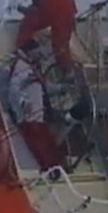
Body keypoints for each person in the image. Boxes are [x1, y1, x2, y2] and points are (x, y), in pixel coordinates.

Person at [1, 0, 77, 80]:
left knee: (60, 45)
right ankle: (30, 49)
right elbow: (34, 11)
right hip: (55, 10)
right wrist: (19, 7)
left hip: (61, 10)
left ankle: (69, 73)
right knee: (30, 23)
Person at [8, 39, 66, 172]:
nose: (39, 55)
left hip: (38, 116)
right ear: (29, 52)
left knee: (49, 143)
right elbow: (14, 89)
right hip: (29, 117)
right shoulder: (21, 66)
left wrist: (62, 88)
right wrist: (23, 103)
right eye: (37, 52)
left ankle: (55, 167)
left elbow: (44, 86)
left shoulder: (33, 67)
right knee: (40, 146)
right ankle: (49, 169)